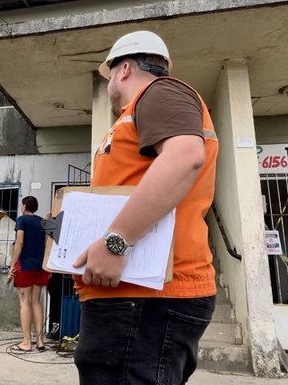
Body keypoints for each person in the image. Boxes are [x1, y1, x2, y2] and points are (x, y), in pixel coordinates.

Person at [72, 30, 219, 384]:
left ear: (123, 69)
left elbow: (185, 157)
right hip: (134, 299)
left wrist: (115, 241)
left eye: (109, 79)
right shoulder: (144, 110)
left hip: (144, 299)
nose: (109, 88)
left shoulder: (159, 92)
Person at [7, 196, 49, 352]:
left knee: (25, 303)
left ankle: (26, 342)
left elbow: (19, 242)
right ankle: (40, 341)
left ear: (24, 206)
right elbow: (45, 245)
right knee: (36, 302)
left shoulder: (21, 220)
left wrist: (12, 265)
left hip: (25, 265)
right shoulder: (42, 222)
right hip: (40, 266)